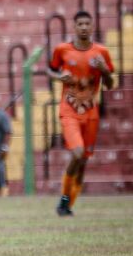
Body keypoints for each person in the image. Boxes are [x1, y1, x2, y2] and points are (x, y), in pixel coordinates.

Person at [47, 11, 115, 216]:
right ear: (74, 27)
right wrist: (60, 76)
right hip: (69, 111)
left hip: (91, 113)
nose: (84, 27)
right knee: (77, 154)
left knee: (83, 161)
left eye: (87, 23)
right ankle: (64, 200)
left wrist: (104, 71)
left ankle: (68, 204)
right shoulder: (62, 50)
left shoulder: (101, 52)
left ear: (92, 26)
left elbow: (110, 85)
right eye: (80, 24)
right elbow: (50, 70)